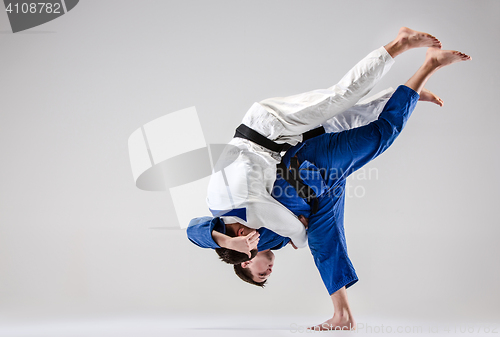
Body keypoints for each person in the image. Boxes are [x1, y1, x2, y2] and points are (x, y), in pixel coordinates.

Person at [227, 47, 471, 331]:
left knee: (380, 134)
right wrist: (298, 229)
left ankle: (429, 66)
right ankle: (342, 316)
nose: (268, 272)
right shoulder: (275, 241)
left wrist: (231, 242)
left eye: (260, 275)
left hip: (306, 168)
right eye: (266, 277)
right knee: (326, 247)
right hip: (320, 194)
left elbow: (199, 230)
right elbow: (299, 233)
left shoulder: (242, 237)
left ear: (245, 264)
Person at [190, 27, 443, 252]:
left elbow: (298, 234)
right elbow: (195, 230)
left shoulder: (253, 213)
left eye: (252, 244)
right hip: (277, 141)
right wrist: (226, 241)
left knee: (342, 96)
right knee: (345, 120)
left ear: (241, 234)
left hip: (268, 126)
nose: (259, 240)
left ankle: (398, 44)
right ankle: (405, 95)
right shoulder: (215, 207)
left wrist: (296, 235)